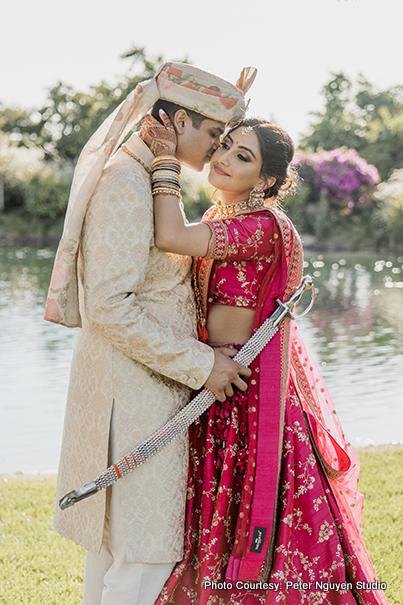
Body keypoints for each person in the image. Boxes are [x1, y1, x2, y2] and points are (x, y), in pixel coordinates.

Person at [140, 114, 390, 604]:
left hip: (251, 402)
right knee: (222, 522)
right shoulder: (222, 219)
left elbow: (169, 236)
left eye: (242, 156)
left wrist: (165, 159)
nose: (223, 158)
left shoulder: (260, 228)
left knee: (270, 530)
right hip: (220, 386)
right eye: (225, 145)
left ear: (268, 179)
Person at [44, 62, 257, 605]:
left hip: (144, 390)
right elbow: (110, 308)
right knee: (145, 553)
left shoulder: (149, 175)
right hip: (131, 395)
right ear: (179, 119)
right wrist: (202, 365)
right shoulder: (126, 183)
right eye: (213, 134)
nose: (216, 148)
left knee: (121, 548)